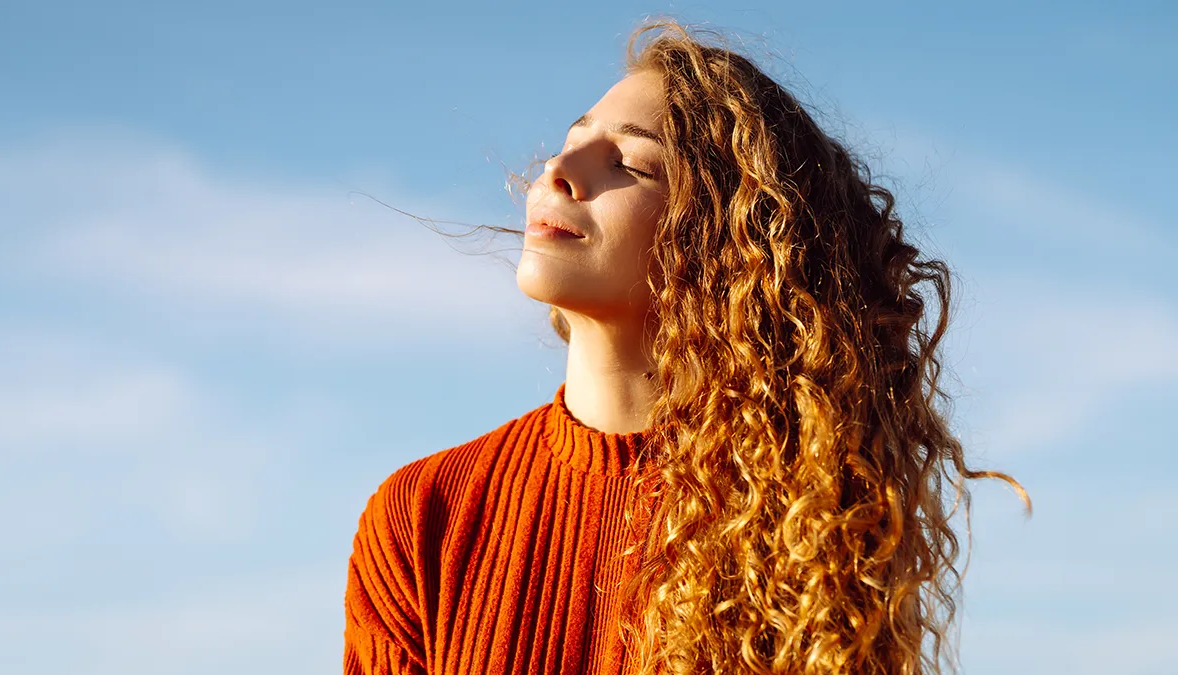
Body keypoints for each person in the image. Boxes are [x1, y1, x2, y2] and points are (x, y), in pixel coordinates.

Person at [342, 19, 1030, 675]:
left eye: (630, 164)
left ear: (729, 247)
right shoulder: (422, 513)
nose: (557, 169)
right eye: (572, 138)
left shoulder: (797, 527)